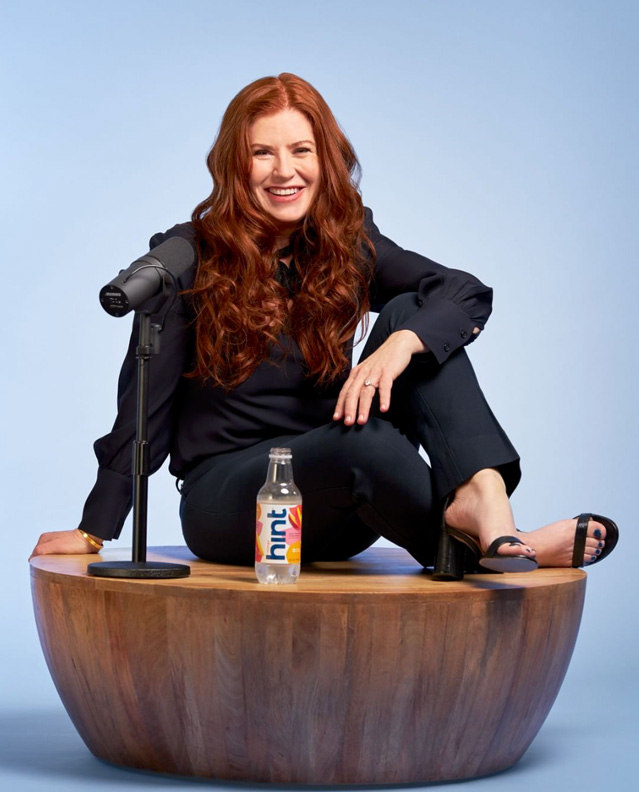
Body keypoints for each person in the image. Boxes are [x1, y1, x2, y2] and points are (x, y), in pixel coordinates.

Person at [30, 73, 618, 576]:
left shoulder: (348, 244)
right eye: (263, 153)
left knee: (416, 311)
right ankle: (496, 544)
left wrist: (400, 347)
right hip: (232, 506)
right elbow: (143, 410)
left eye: (301, 151)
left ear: (325, 159)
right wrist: (95, 527)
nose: (284, 171)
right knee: (364, 440)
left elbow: (464, 292)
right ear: (237, 165)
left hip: (342, 505)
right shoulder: (190, 258)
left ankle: (484, 499)